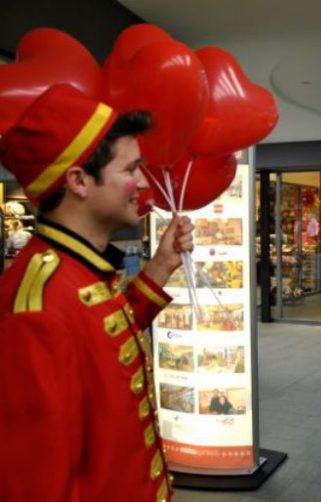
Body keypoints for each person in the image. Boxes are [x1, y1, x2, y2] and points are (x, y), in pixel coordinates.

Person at [0, 84, 194, 502]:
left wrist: (161, 265)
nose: (143, 181)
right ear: (78, 181)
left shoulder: (75, 271)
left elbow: (104, 340)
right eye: (130, 170)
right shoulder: (37, 307)